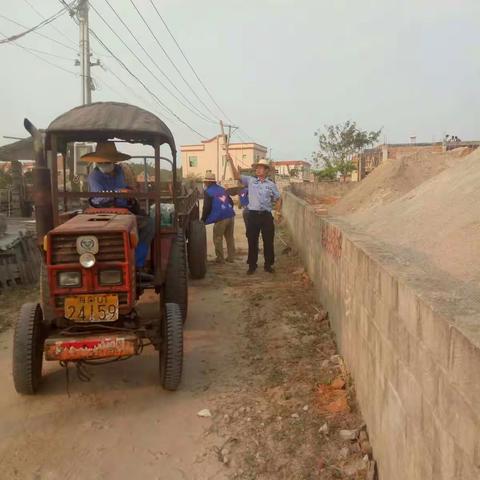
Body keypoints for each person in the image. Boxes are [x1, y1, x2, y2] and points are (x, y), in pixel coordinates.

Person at [83, 142, 155, 269]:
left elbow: (122, 188)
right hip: (103, 212)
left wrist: (129, 190)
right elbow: (99, 198)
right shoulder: (94, 177)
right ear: (97, 162)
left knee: (149, 224)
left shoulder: (119, 171)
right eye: (101, 162)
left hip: (124, 211)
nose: (104, 165)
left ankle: (137, 264)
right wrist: (118, 192)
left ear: (113, 161)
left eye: (107, 162)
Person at [228, 157, 280, 274]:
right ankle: (252, 265)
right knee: (252, 240)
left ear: (266, 170)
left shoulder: (271, 185)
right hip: (253, 215)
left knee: (268, 241)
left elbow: (278, 198)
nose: (258, 170)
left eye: (261, 168)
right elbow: (237, 176)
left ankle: (268, 265)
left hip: (266, 215)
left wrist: (278, 212)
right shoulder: (250, 181)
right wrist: (231, 161)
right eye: (257, 168)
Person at [201, 171, 235, 263]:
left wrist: (203, 220)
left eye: (205, 182)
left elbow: (206, 207)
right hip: (231, 216)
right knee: (229, 237)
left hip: (221, 218)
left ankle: (220, 258)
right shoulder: (222, 189)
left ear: (208, 182)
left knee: (217, 238)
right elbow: (231, 202)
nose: (204, 183)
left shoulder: (208, 192)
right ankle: (231, 257)